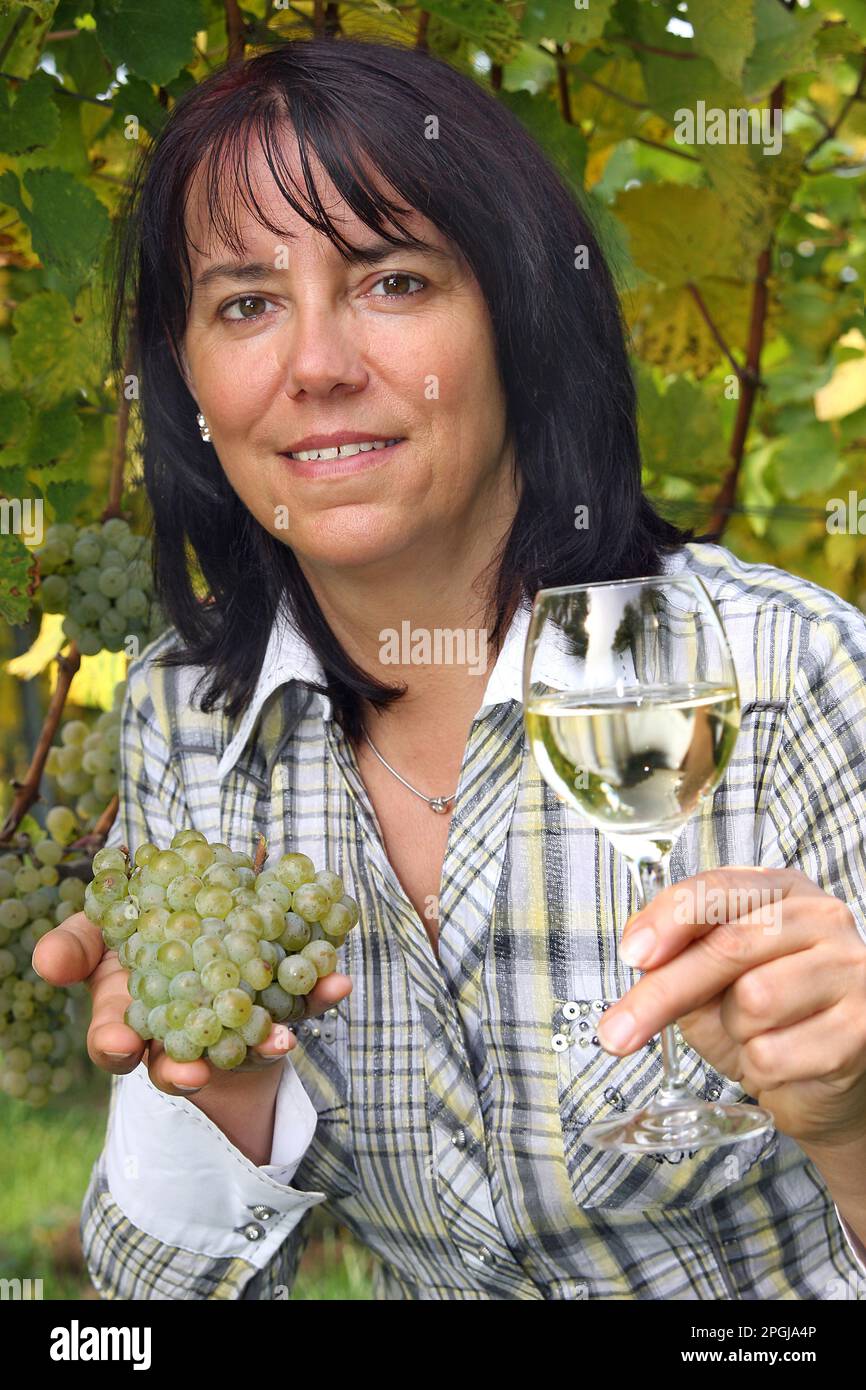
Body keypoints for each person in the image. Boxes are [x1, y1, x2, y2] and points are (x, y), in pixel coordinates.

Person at [34, 36, 866, 1301]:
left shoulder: (786, 668)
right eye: (245, 302)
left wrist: (852, 1131)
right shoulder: (183, 719)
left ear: (518, 318)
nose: (315, 365)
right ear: (190, 380)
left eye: (391, 280)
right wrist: (219, 1108)